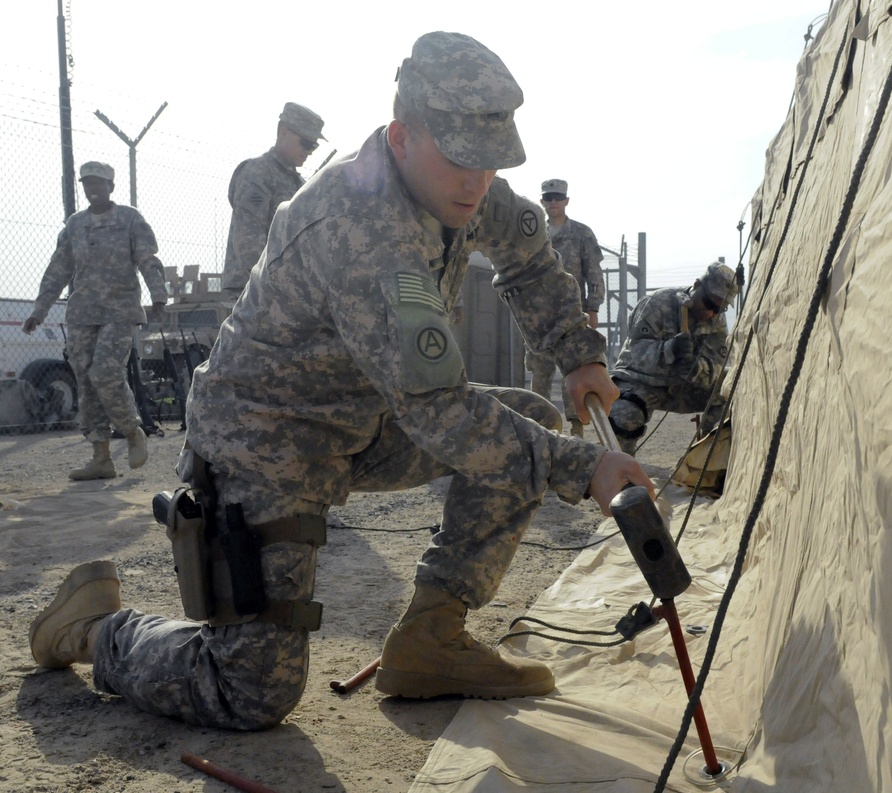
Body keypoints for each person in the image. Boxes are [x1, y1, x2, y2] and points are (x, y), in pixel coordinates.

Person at [28, 31, 654, 731]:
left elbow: (530, 254)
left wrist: (578, 354)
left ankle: (431, 640)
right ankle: (98, 628)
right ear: (400, 137)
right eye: (458, 159)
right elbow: (443, 413)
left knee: (525, 424)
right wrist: (588, 466)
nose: (476, 182)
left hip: (365, 420)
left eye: (490, 161)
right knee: (251, 689)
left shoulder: (463, 185)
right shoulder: (363, 228)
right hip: (269, 440)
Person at [22, 161, 168, 479]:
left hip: (120, 310)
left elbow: (147, 257)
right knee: (86, 382)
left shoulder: (129, 219)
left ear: (111, 186)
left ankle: (132, 431)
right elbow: (57, 270)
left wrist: (158, 294)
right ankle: (100, 457)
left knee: (105, 372)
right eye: (87, 183)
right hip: (83, 313)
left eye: (99, 183)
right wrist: (39, 310)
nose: (92, 189)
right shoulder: (75, 225)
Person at [608, 262, 738, 455]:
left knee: (732, 386)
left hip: (684, 388)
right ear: (696, 286)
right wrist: (670, 349)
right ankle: (620, 469)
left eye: (720, 309)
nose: (711, 313)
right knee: (625, 412)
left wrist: (698, 368)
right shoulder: (657, 303)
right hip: (642, 383)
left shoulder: (715, 323)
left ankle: (708, 461)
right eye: (709, 303)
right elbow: (636, 353)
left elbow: (716, 366)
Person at [220, 102, 326, 298]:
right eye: (306, 143)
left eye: (314, 145)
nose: (310, 151)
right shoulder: (257, 173)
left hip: (286, 293)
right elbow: (248, 240)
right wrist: (274, 287)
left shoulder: (299, 184)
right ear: (284, 132)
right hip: (252, 292)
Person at [525, 178, 605, 437]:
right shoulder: (534, 234)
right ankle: (540, 427)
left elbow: (594, 275)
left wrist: (593, 309)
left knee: (573, 371)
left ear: (567, 200)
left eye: (558, 197)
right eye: (548, 198)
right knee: (540, 373)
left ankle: (576, 427)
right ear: (542, 202)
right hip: (538, 317)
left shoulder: (582, 234)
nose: (553, 202)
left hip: (571, 315)